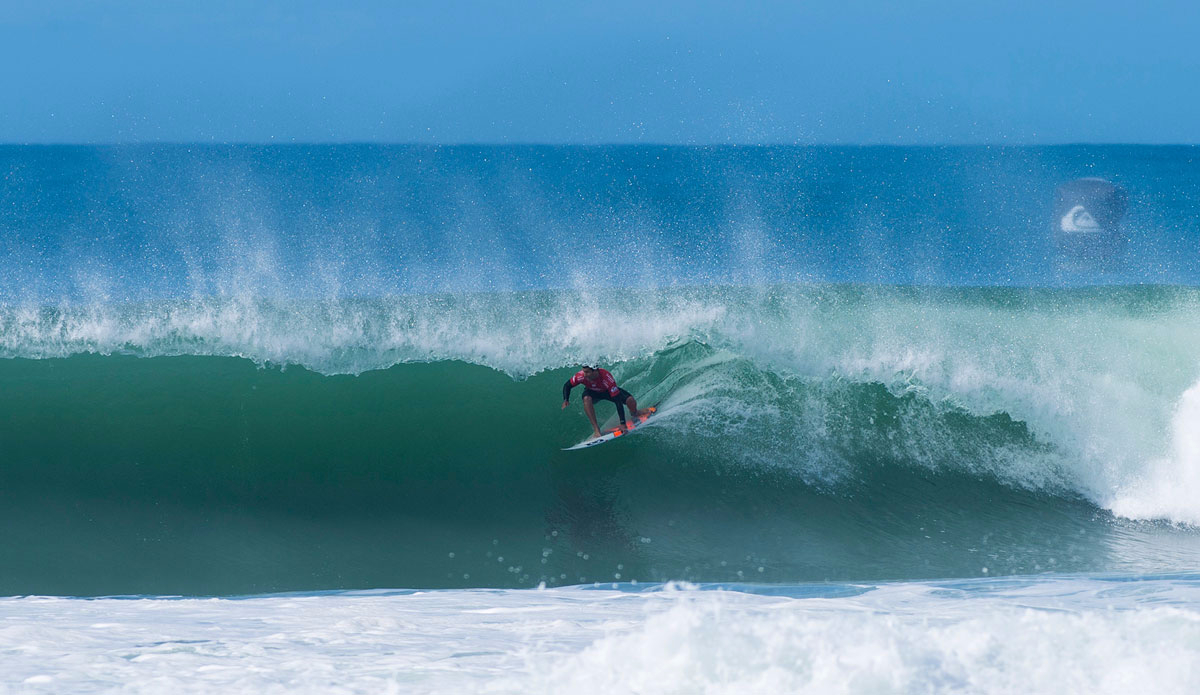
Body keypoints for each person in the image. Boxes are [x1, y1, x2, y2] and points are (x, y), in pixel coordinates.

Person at [561, 365, 649, 439]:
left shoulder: (606, 378)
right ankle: (596, 429)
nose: (584, 374)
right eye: (584, 371)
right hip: (592, 392)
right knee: (586, 399)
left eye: (587, 372)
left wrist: (622, 423)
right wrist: (566, 399)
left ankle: (635, 413)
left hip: (607, 392)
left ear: (595, 371)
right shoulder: (580, 376)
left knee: (630, 401)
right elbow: (567, 385)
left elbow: (618, 401)